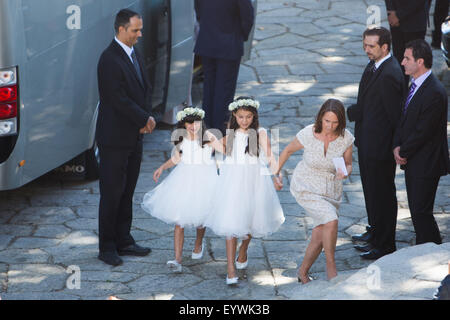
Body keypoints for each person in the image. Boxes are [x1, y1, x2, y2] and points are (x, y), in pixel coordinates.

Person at [96, 9, 156, 266]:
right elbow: (116, 98)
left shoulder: (132, 53)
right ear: (121, 29)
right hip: (114, 139)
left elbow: (142, 90)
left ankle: (124, 239)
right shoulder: (109, 59)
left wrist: (144, 119)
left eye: (140, 29)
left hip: (133, 136)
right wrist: (144, 119)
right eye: (135, 30)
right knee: (111, 192)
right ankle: (107, 246)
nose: (140, 34)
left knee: (127, 190)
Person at [204, 97, 285, 285]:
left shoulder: (260, 133)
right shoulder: (231, 133)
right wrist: (212, 141)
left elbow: (271, 157)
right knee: (232, 222)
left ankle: (243, 250)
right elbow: (224, 150)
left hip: (254, 181)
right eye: (241, 117)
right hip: (232, 182)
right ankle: (230, 270)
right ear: (234, 115)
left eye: (249, 116)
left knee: (250, 221)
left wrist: (277, 175)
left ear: (254, 116)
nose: (245, 120)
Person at [275, 99, 354, 283]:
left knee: (320, 232)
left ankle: (302, 272)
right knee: (331, 220)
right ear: (321, 118)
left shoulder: (346, 138)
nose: (330, 126)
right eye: (327, 121)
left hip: (331, 189)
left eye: (335, 123)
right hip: (307, 185)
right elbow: (287, 151)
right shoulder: (309, 133)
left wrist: (345, 172)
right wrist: (276, 173)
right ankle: (331, 265)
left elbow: (348, 164)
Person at [346, 27, 405, 260]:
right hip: (368, 142)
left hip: (380, 147)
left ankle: (385, 243)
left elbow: (394, 116)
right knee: (371, 191)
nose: (366, 50)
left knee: (382, 195)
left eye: (371, 46)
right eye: (365, 45)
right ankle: (375, 231)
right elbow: (369, 102)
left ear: (385, 47)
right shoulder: (375, 65)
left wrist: (394, 146)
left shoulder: (390, 74)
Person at [141, 107, 223, 272]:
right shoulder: (181, 139)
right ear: (184, 124)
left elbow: (225, 150)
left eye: (196, 123)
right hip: (184, 179)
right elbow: (177, 158)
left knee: (201, 217)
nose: (193, 126)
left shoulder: (208, 137)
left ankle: (198, 244)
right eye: (189, 123)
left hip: (205, 180)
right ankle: (177, 259)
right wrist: (162, 167)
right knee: (180, 220)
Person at [393, 39, 449, 245]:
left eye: (407, 58)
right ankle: (425, 245)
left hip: (427, 162)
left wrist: (403, 151)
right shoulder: (415, 83)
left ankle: (431, 248)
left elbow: (423, 131)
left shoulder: (434, 92)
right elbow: (405, 116)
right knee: (417, 210)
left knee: (421, 211)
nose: (402, 62)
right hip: (414, 159)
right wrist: (397, 145)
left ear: (420, 62)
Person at [194, 0, 254, 134]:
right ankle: (219, 132)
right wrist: (240, 36)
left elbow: (198, 10)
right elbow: (248, 15)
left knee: (209, 89)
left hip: (207, 41)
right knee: (224, 91)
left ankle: (207, 129)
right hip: (229, 44)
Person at [384, 0, 431, 83]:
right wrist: (391, 11)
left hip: (415, 22)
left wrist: (398, 15)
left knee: (416, 63)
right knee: (399, 62)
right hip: (396, 22)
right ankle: (400, 92)